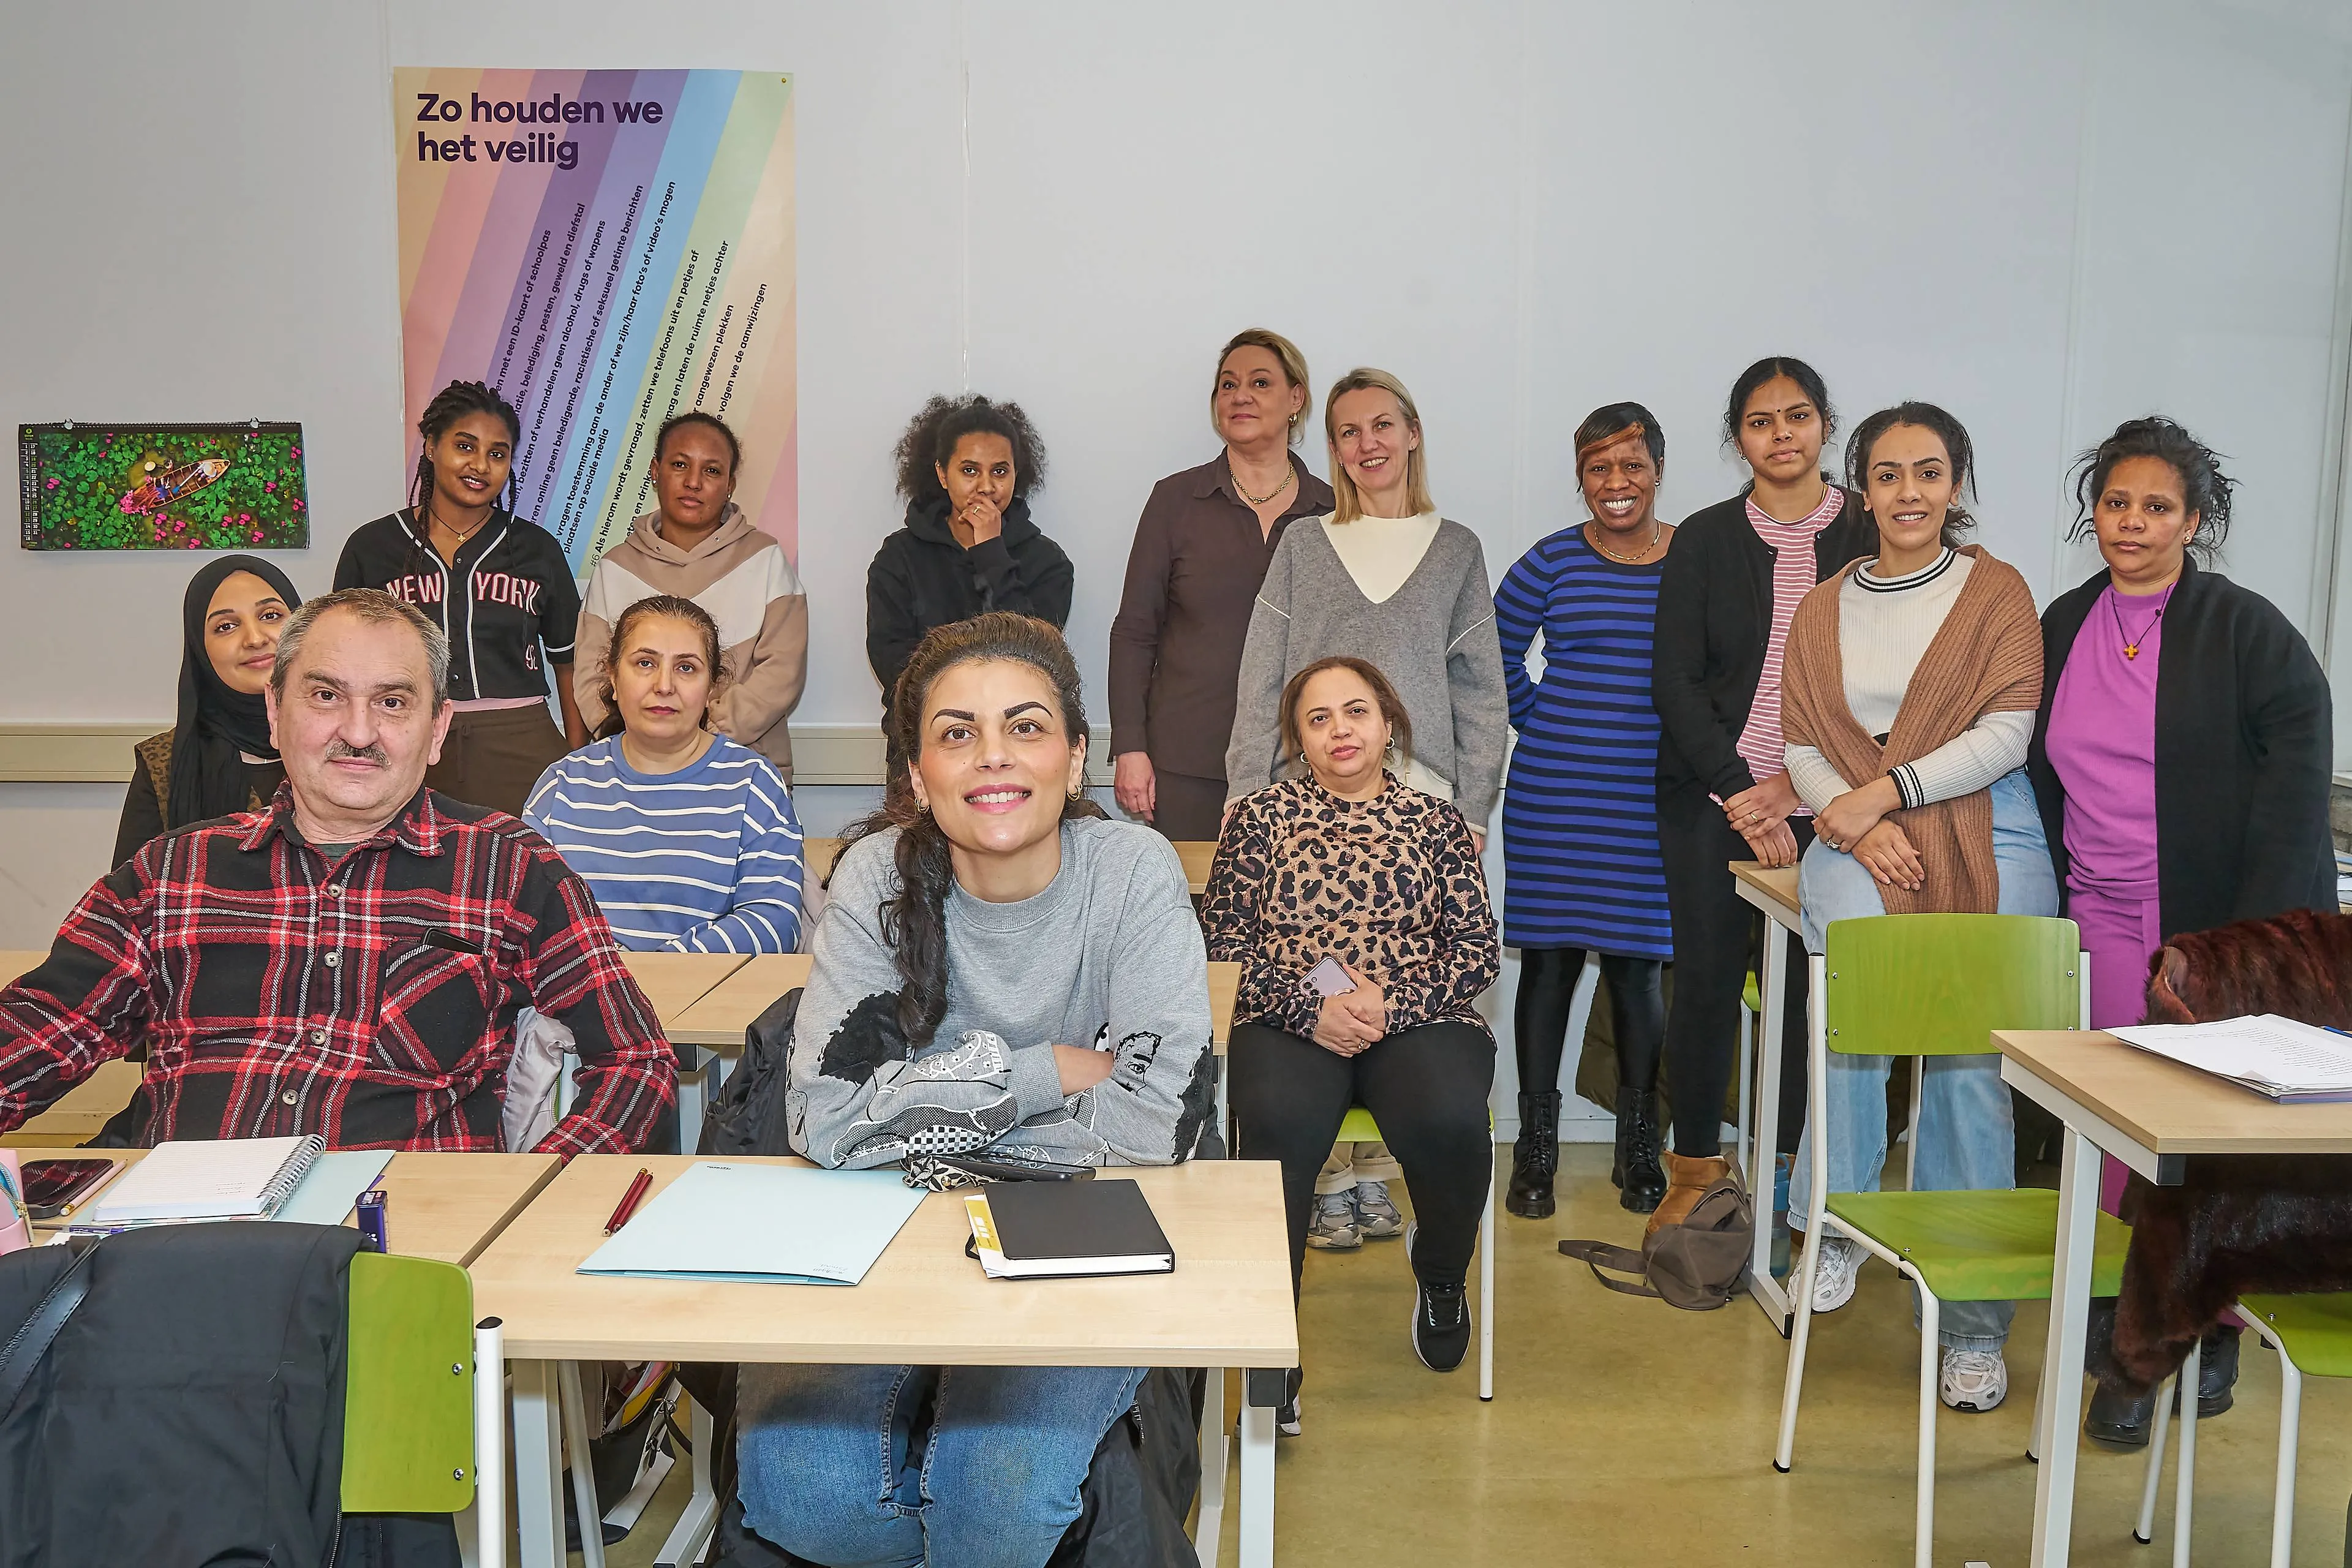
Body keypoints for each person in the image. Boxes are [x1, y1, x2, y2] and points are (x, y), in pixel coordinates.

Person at [739, 612, 1211, 1568]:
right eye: (958, 733)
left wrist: (917, 1118)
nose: (993, 755)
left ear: (1076, 758)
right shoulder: (875, 878)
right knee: (802, 1491)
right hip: (883, 1226)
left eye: (1025, 727)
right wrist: (1045, 1071)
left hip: (1077, 1227)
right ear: (919, 776)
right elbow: (824, 1116)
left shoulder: (1133, 872)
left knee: (999, 1499)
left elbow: (1157, 1119)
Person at [0, 590, 675, 1153]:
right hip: (178, 1236)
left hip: (400, 1243)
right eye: (326, 696)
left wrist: (532, 1199)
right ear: (275, 711)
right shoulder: (169, 875)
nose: (358, 731)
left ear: (437, 728)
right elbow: (39, 1032)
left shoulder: (509, 868)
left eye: (393, 702)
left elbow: (635, 1062)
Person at [2026, 415, 2334, 1444]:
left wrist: (2259, 939)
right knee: (2126, 1129)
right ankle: (2134, 1323)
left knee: (2212, 1141)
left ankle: (2207, 1330)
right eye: (2116, 503)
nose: (2132, 522)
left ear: (2194, 521)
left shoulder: (2247, 630)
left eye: (2157, 507)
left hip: (2215, 926)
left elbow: (2296, 773)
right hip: (2100, 914)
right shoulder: (2065, 623)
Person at [1778, 402, 2055, 1414]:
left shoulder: (1997, 592)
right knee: (1856, 1005)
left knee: (1971, 1061)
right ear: (1862, 488)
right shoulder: (1824, 606)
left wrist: (1888, 794)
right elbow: (1801, 743)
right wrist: (1856, 827)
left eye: (1928, 472)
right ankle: (1839, 1222)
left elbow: (2008, 732)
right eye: (1888, 474)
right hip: (1855, 823)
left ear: (1956, 483)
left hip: (1987, 818)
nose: (1909, 493)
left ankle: (1972, 1319)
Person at [1224, 367, 1504, 1234]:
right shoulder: (1304, 544)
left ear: (1412, 433)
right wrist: (1245, 789)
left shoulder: (1455, 548)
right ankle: (1326, 1182)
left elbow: (1481, 692)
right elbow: (1260, 677)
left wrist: (1474, 806)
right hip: (1306, 810)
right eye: (1347, 431)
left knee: (1405, 1000)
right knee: (1314, 983)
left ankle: (1377, 1173)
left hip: (1421, 808)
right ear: (1333, 447)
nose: (1367, 444)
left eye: (1382, 425)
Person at [1210, 656, 1499, 1417]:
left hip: (1418, 1015)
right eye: (1318, 718)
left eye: (1356, 711)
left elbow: (1477, 950)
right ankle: (1272, 1350)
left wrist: (1390, 1002)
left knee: (1450, 1118)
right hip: (1289, 1017)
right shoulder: (1260, 819)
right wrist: (1310, 1006)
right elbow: (1223, 946)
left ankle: (1441, 1272)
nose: (1339, 729)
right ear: (1298, 741)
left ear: (1389, 724)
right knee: (1275, 1126)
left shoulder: (1436, 822)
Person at [1650, 356, 1874, 1233]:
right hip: (1713, 797)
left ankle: (1789, 1172)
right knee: (1705, 981)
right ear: (1737, 439)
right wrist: (1743, 791)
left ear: (1826, 426)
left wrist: (1794, 790)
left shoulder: (1868, 529)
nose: (1782, 434)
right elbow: (1675, 680)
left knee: (1810, 990)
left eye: (1798, 415)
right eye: (1760, 421)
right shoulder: (1705, 538)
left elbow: (1888, 684)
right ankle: (1696, 1172)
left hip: (1838, 802)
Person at [1494, 403, 1676, 1219]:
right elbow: (1491, 650)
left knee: (1639, 972)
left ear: (1658, 472)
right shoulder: (1551, 560)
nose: (1616, 482)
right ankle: (1535, 1149)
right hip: (1555, 796)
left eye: (1631, 465)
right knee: (1549, 966)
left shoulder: (1692, 559)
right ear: (1581, 478)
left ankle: (1639, 1146)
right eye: (1598, 468)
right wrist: (1543, 719)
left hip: (1649, 798)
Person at [1108, 329, 1335, 840]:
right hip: (1187, 765)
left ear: (1296, 399)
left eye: (1260, 383)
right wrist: (1130, 746)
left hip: (1308, 765)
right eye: (1228, 385)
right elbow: (1135, 632)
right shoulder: (1175, 501)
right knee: (1188, 896)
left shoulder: (1334, 513)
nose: (1240, 396)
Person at [334, 380, 584, 816]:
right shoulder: (372, 547)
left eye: (497, 454)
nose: (481, 465)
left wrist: (579, 760)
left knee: (527, 858)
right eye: (465, 446)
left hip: (522, 742)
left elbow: (569, 664)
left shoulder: (536, 549)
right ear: (431, 447)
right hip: (406, 740)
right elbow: (343, 665)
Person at [527, 595, 805, 953]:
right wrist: (605, 974)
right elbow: (522, 919)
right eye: (645, 663)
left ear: (711, 687)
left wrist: (661, 969)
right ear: (613, 677)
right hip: (582, 986)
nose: (664, 685)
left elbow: (774, 923)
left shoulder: (754, 784)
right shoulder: (561, 785)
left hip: (709, 988)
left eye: (686, 668)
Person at [573, 411, 810, 782]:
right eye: (680, 465)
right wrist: (642, 739)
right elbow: (592, 676)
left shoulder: (766, 560)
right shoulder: (615, 568)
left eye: (712, 471)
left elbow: (783, 670)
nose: (694, 482)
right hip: (630, 773)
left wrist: (706, 734)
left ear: (730, 485)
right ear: (656, 470)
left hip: (745, 770)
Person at [866, 395, 1074, 734]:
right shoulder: (899, 556)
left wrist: (991, 551)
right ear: (942, 474)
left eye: (1000, 471)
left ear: (1016, 475)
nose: (986, 487)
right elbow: (891, 661)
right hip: (923, 736)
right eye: (969, 471)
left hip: (1017, 735)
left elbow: (1036, 658)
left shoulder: (1048, 562)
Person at [113, 554, 303, 867]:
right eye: (226, 627)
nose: (255, 639)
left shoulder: (349, 739)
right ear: (201, 650)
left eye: (270, 616)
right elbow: (131, 892)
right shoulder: (166, 762)